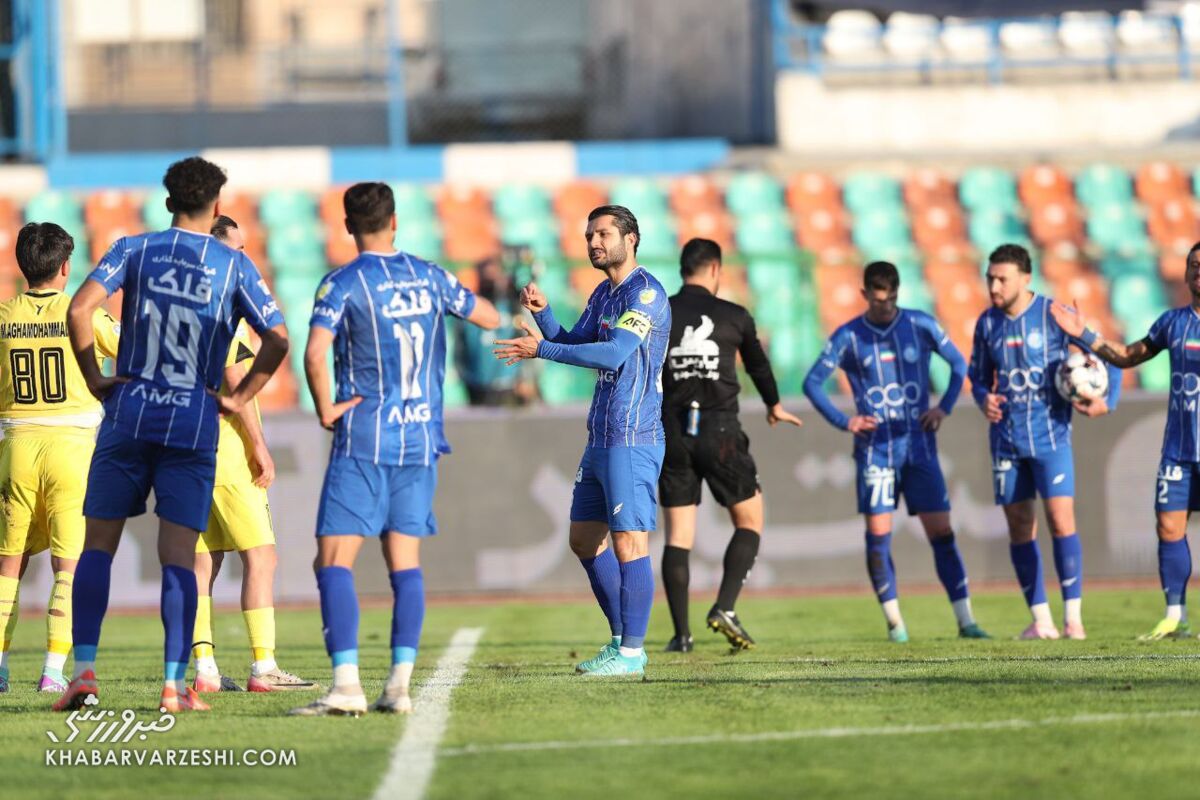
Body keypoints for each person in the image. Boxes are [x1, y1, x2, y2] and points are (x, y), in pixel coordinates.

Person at [54, 156, 288, 713]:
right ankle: (172, 685)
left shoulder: (132, 249)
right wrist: (238, 399)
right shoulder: (233, 264)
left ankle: (82, 673)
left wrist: (95, 379)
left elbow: (80, 308)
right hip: (191, 418)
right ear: (216, 205)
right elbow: (278, 339)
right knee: (179, 555)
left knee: (96, 548)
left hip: (129, 411)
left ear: (167, 202)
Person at [290, 182, 499, 717]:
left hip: (365, 438)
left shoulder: (342, 283)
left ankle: (346, 686)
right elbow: (488, 317)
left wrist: (325, 408)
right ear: (395, 221)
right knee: (405, 563)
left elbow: (314, 354)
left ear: (348, 226)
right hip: (420, 439)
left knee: (333, 560)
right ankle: (399, 685)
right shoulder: (431, 276)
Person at [493, 204, 670, 677]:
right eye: (590, 235)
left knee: (630, 541)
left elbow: (612, 354)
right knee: (585, 540)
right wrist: (545, 316)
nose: (593, 243)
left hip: (632, 435)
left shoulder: (647, 294)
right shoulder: (604, 293)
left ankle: (631, 654)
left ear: (631, 239)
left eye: (603, 234)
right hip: (601, 436)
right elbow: (575, 341)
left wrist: (542, 348)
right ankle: (621, 640)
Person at [804, 261, 988, 642]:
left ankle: (966, 621)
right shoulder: (849, 336)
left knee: (942, 532)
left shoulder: (920, 324)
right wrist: (845, 421)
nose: (885, 307)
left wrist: (944, 408)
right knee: (878, 537)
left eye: (890, 301)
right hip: (875, 452)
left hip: (919, 450)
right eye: (877, 301)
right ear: (865, 296)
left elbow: (959, 364)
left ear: (898, 294)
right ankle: (895, 624)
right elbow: (813, 383)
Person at [190, 215, 316, 693]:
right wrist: (259, 446)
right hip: (227, 455)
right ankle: (264, 668)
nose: (245, 258)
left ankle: (204, 671)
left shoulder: (183, 308)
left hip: (190, 452)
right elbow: (234, 380)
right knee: (262, 558)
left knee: (204, 562)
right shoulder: (221, 310)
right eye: (237, 250)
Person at [969, 243, 1119, 641]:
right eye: (990, 278)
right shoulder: (986, 323)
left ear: (1025, 279)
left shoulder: (1055, 315)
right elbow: (978, 377)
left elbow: (1107, 355)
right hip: (1006, 441)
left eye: (1002, 279)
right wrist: (983, 397)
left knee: (1060, 520)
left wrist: (1108, 401)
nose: (993, 286)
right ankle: (1041, 621)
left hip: (1051, 437)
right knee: (1020, 526)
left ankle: (1073, 620)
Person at [1049, 241, 1199, 640]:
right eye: (1194, 265)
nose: (1199, 271)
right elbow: (1128, 355)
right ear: (1186, 274)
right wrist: (1084, 334)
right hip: (1179, 451)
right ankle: (1175, 616)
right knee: (1168, 527)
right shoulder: (1173, 323)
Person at [658, 238, 802, 652]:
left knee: (678, 536)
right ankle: (724, 606)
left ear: (683, 270)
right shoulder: (734, 315)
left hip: (673, 431)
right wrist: (774, 405)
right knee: (750, 520)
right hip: (720, 430)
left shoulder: (661, 313)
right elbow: (758, 365)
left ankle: (681, 636)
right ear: (715, 270)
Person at [0, 223, 120, 694]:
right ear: (66, 266)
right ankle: (53, 671)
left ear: (22, 265)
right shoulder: (82, 312)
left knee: (8, 564)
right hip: (72, 449)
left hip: (16, 446)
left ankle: (0, 667)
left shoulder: (4, 315)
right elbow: (129, 347)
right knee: (67, 566)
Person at [455, 254, 536, 406]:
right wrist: (465, 378)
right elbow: (460, 348)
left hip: (510, 386)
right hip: (478, 387)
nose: (491, 282)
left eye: (494, 276)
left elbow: (532, 342)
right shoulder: (470, 309)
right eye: (486, 277)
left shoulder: (515, 307)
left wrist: (527, 378)